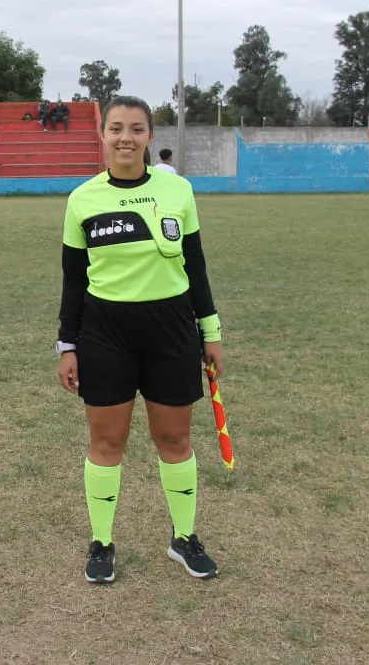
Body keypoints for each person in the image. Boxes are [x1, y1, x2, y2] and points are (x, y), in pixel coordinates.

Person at [56, 95, 223, 584]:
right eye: (115, 128)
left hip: (171, 329)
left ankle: (184, 537)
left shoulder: (179, 193)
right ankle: (103, 542)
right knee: (107, 442)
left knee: (174, 439)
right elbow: (72, 280)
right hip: (104, 332)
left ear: (150, 136)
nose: (125, 137)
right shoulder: (82, 199)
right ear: (102, 135)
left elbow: (196, 267)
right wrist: (68, 345)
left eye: (135, 128)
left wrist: (209, 332)